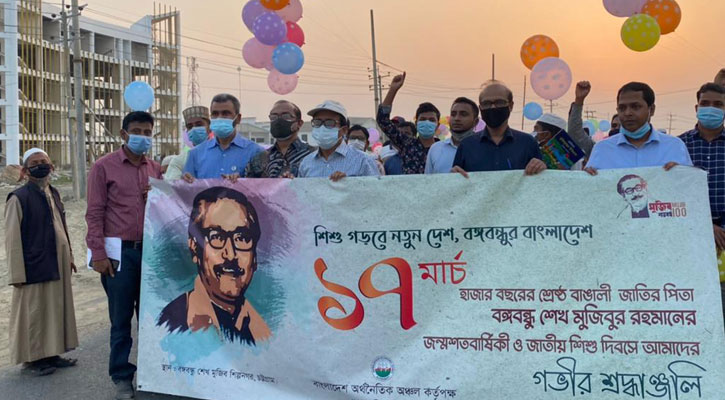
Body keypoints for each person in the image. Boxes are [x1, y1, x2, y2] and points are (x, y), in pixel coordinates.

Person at [86, 111, 162, 399]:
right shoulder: (103, 167)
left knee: (151, 319)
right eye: (137, 131)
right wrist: (98, 253)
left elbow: (169, 205)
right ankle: (121, 376)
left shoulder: (155, 169)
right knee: (120, 320)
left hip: (150, 254)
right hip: (119, 255)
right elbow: (94, 213)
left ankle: (153, 375)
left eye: (147, 132)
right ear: (123, 134)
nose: (142, 137)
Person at [158, 187, 270, 344]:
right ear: (194, 248)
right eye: (217, 237)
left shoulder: (264, 335)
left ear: (255, 256)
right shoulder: (170, 324)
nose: (230, 254)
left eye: (242, 239)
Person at [5, 148, 78, 377]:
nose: (41, 166)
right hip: (33, 264)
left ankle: (52, 353)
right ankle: (33, 359)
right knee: (34, 313)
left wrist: (70, 257)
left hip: (57, 261)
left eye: (44, 162)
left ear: (51, 166)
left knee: (54, 309)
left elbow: (62, 227)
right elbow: (12, 239)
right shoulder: (18, 198)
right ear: (26, 170)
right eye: (35, 163)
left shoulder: (53, 192)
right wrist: (17, 274)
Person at [678, 83, 725, 316]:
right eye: (705, 103)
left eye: (718, 104)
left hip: (724, 238)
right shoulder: (678, 145)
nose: (711, 108)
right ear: (696, 107)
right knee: (694, 308)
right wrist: (706, 225)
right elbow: (671, 192)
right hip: (688, 237)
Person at [585, 82, 693, 174]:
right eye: (622, 108)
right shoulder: (602, 150)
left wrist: (681, 174)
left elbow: (688, 185)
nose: (628, 113)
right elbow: (592, 188)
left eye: (635, 107)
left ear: (651, 110)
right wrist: (586, 178)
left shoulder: (674, 147)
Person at [452, 81, 546, 177]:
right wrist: (453, 176)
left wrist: (541, 167)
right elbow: (457, 182)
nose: (493, 107)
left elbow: (541, 181)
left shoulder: (528, 143)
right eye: (486, 103)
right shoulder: (467, 146)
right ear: (480, 108)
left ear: (511, 106)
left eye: (499, 102)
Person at [183, 94, 263, 182]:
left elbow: (262, 186)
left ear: (238, 119)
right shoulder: (195, 154)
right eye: (215, 114)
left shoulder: (255, 152)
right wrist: (186, 180)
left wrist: (241, 182)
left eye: (225, 113)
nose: (219, 118)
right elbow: (187, 188)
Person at [298, 100, 380, 181]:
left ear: (344, 130)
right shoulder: (306, 163)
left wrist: (349, 183)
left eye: (330, 123)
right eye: (317, 122)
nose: (322, 127)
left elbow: (375, 188)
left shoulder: (363, 161)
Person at [378, 73, 440, 175]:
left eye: (431, 120)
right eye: (423, 119)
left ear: (438, 125)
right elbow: (383, 120)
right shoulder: (407, 144)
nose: (427, 122)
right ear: (416, 123)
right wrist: (393, 90)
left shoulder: (443, 149)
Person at [246, 100, 314, 178]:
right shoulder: (260, 158)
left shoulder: (313, 155)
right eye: (273, 117)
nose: (278, 121)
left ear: (299, 123)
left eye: (286, 116)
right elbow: (247, 184)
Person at [425, 97, 480, 174]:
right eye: (453, 114)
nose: (457, 118)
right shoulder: (436, 148)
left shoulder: (483, 148)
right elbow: (428, 180)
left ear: (476, 121)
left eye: (463, 114)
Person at [165, 106, 212, 181]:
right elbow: (171, 184)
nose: (194, 129)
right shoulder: (179, 161)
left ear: (209, 128)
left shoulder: (221, 153)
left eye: (199, 125)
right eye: (190, 127)